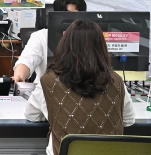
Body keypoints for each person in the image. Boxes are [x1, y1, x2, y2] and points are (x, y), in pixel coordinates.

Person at [25, 20, 134, 155]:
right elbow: (128, 120)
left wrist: (55, 113)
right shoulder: (116, 81)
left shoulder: (49, 81)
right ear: (102, 48)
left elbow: (32, 116)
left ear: (64, 47)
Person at [13, 0, 87, 83]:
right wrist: (20, 75)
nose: (74, 21)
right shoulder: (41, 36)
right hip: (46, 90)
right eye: (70, 16)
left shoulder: (90, 37)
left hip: (81, 90)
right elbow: (27, 60)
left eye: (78, 16)